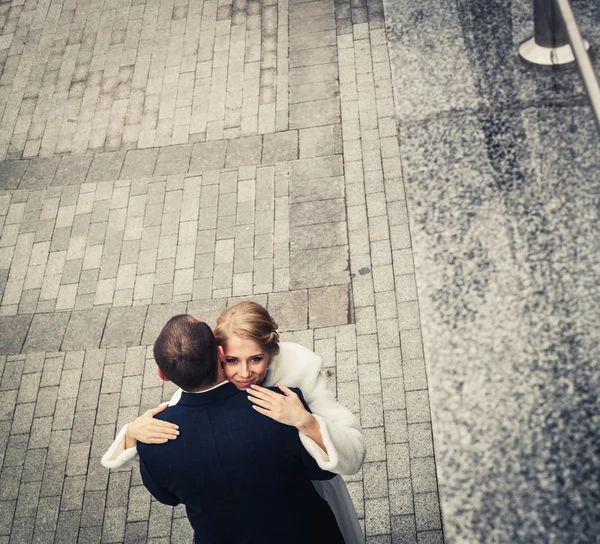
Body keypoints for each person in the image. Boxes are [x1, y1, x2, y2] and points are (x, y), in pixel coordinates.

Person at [102, 301, 366, 543]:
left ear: (271, 353)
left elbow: (349, 455)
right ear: (217, 356)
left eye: (256, 359)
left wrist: (305, 421)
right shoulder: (181, 401)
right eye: (232, 361)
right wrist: (132, 433)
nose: (244, 374)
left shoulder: (298, 376)